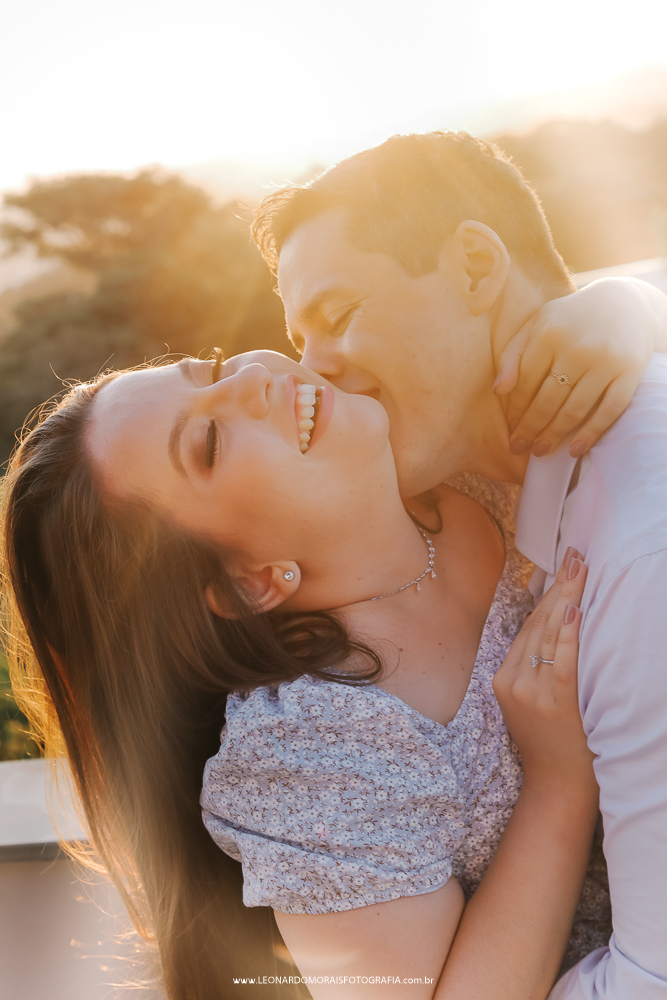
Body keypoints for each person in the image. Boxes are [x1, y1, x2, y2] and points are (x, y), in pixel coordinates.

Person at [0, 348, 610, 1000]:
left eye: (211, 368)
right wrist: (558, 785)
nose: (252, 378)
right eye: (209, 441)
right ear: (249, 581)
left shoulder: (462, 461)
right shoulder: (313, 750)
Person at [250, 130, 667, 998]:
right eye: (299, 342)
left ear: (476, 267)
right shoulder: (481, 491)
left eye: (338, 316)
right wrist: (628, 301)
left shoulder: (637, 556)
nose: (315, 374)